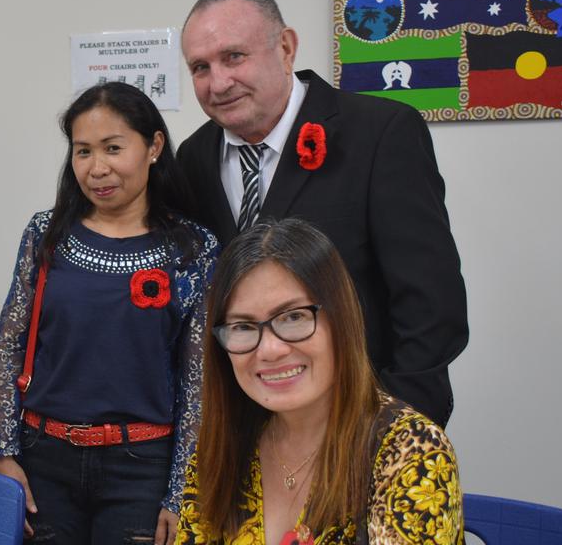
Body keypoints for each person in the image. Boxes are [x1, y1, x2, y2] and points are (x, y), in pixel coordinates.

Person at [176, 0, 467, 426]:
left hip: (359, 421)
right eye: (200, 67)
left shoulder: (380, 134)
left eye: (234, 56)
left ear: (286, 47)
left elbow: (431, 304)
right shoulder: (194, 157)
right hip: (241, 429)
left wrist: (397, 428)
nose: (218, 82)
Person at [0, 83, 219, 545]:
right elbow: (9, 347)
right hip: (43, 461)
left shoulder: (192, 248)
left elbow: (199, 382)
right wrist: (3, 452)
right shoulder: (45, 234)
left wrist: (179, 493)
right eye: (83, 151)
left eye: (114, 148)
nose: (97, 168)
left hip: (141, 468)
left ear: (153, 146)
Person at [176, 219, 463, 545]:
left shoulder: (410, 451)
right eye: (242, 327)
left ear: (340, 319)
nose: (270, 349)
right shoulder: (223, 447)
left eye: (293, 317)